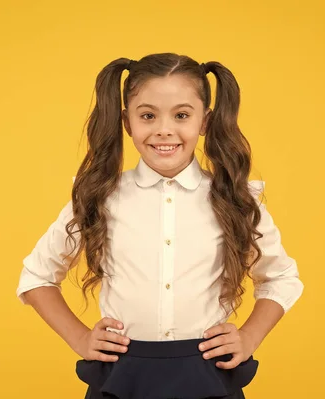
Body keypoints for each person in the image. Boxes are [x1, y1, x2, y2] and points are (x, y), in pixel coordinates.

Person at [16, 53, 304, 399]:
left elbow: (281, 277)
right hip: (123, 376)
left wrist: (249, 336)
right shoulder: (100, 197)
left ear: (204, 122)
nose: (164, 129)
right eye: (148, 115)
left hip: (208, 376)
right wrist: (80, 337)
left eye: (181, 115)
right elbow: (37, 276)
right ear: (127, 122)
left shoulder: (238, 200)